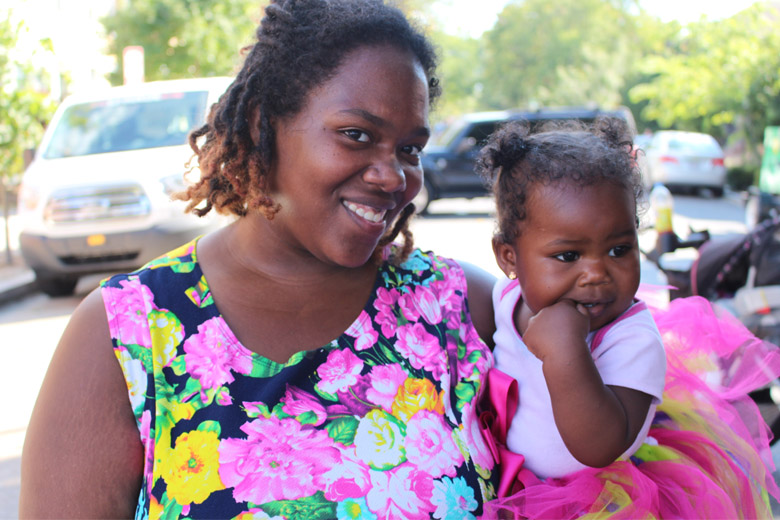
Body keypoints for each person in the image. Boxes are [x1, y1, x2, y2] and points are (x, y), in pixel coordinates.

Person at [19, 1, 500, 518]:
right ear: (261, 124)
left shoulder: (461, 309)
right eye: (357, 135)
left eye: (410, 149)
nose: (392, 175)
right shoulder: (127, 332)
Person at [476, 118, 780, 518]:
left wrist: (565, 352)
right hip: (513, 487)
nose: (597, 273)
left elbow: (600, 447)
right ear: (509, 258)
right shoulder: (505, 299)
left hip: (597, 504)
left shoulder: (633, 339)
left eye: (619, 250)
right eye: (568, 256)